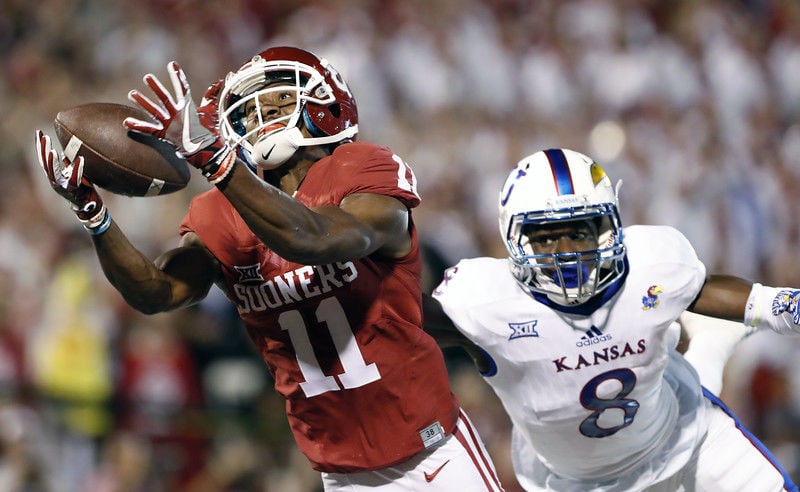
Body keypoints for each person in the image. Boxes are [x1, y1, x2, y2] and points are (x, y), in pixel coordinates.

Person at [34, 46, 503, 491]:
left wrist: (217, 165)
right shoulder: (217, 212)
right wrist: (95, 216)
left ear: (325, 104)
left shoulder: (363, 169)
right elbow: (157, 293)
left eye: (277, 102)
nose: (260, 119)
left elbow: (316, 238)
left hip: (433, 455)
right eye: (248, 111)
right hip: (340, 472)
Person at [424, 147, 799, 491]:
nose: (565, 253)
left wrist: (784, 304)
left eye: (578, 232)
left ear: (607, 228)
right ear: (514, 238)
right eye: (546, 238)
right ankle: (711, 341)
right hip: (580, 484)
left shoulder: (650, 265)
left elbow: (712, 291)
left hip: (684, 436)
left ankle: (710, 339)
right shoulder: (483, 303)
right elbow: (394, 322)